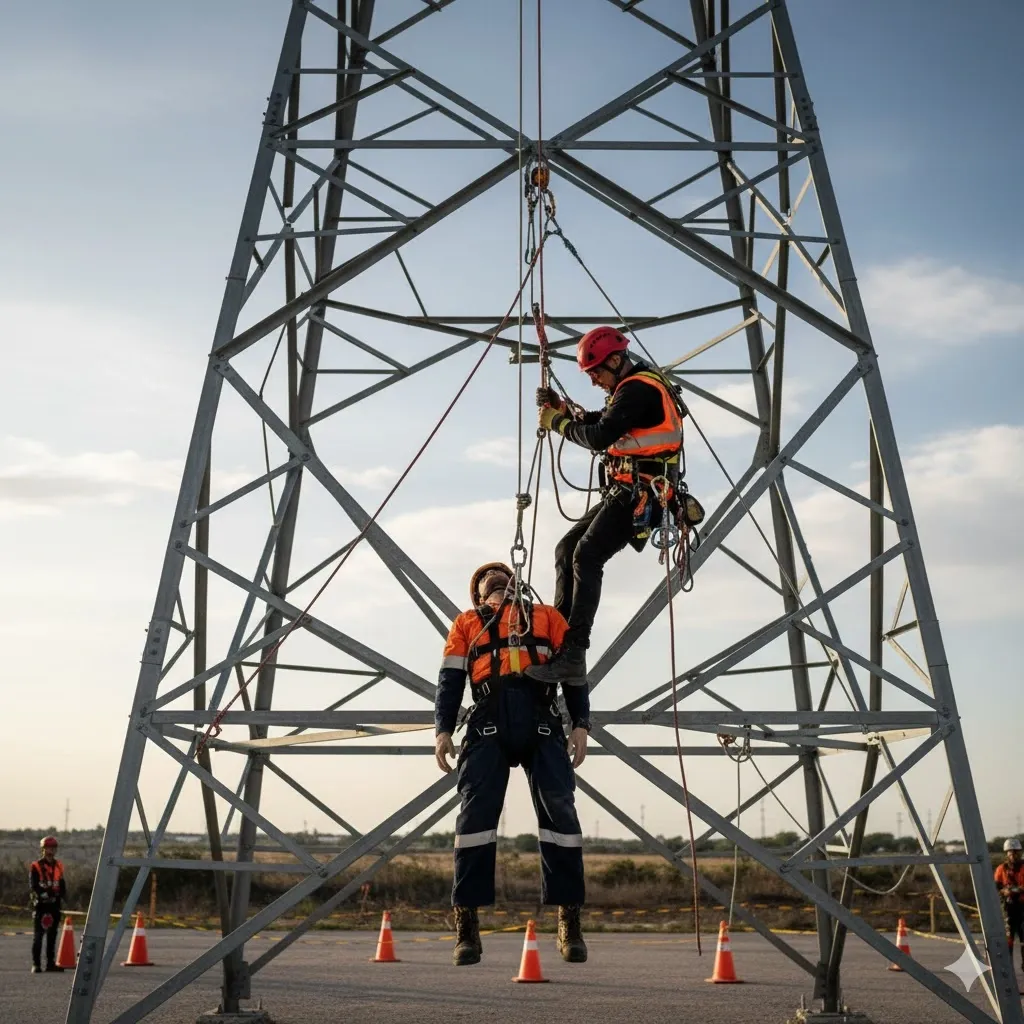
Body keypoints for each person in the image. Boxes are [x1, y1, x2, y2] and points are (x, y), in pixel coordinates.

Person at [434, 562, 591, 966]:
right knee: (474, 819)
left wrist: (580, 724)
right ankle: (466, 925)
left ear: (518, 583)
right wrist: (443, 730)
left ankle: (568, 919)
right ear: (479, 596)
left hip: (541, 718)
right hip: (488, 719)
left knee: (561, 814)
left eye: (503, 578)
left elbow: (572, 672)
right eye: (487, 581)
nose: (497, 582)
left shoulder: (545, 617)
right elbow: (450, 680)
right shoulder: (468, 623)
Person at [525, 325, 685, 686]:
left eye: (596, 371)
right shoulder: (631, 389)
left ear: (615, 360)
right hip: (629, 490)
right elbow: (604, 421)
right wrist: (565, 411)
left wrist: (558, 423)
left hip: (643, 493)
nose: (594, 380)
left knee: (586, 556)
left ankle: (574, 651)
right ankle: (559, 639)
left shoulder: (638, 389)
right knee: (566, 548)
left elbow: (600, 436)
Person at [30, 835, 67, 973]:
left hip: (54, 905)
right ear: (43, 849)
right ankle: (36, 964)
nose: (50, 851)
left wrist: (59, 895)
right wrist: (45, 894)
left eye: (53, 848)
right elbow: (34, 885)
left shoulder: (59, 865)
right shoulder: (36, 866)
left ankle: (50, 963)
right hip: (41, 905)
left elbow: (62, 885)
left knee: (52, 935)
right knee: (39, 936)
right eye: (48, 848)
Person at [995, 837, 1024, 970]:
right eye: (1010, 852)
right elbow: (996, 886)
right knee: (1008, 941)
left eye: (1015, 852)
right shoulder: (1001, 869)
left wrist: (1017, 890)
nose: (1013, 855)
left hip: (1022, 908)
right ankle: (1008, 969)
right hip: (1008, 908)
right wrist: (1004, 891)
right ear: (1007, 853)